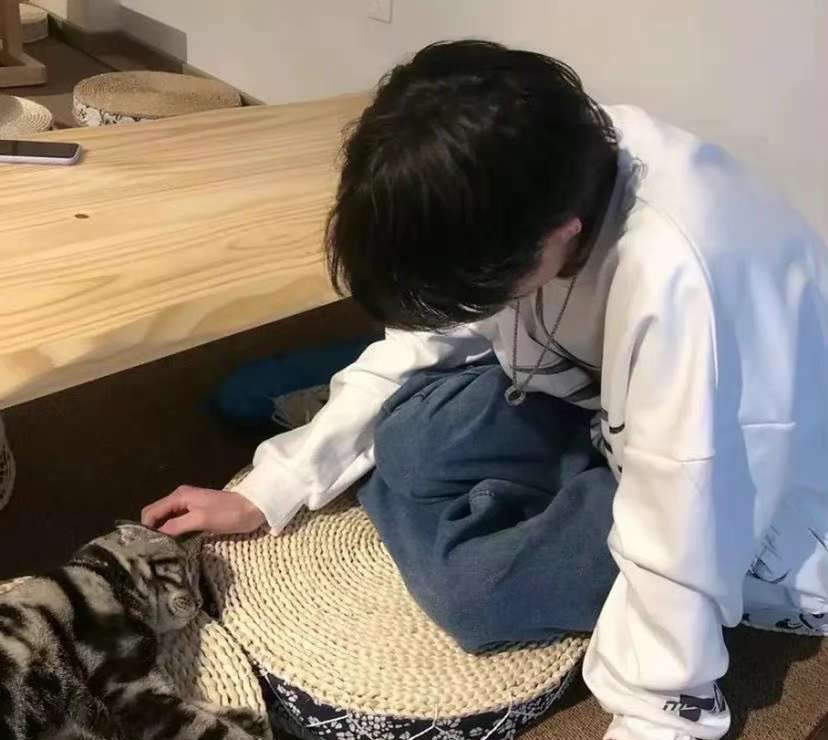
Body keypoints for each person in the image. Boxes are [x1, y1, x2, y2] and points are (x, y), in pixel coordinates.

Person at [141, 40, 828, 740]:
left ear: (561, 235)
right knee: (406, 439)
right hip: (592, 403)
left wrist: (657, 710)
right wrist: (272, 486)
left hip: (739, 486)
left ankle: (551, 503)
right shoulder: (530, 164)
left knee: (476, 595)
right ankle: (549, 494)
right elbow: (426, 339)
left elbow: (688, 515)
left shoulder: (683, 287)